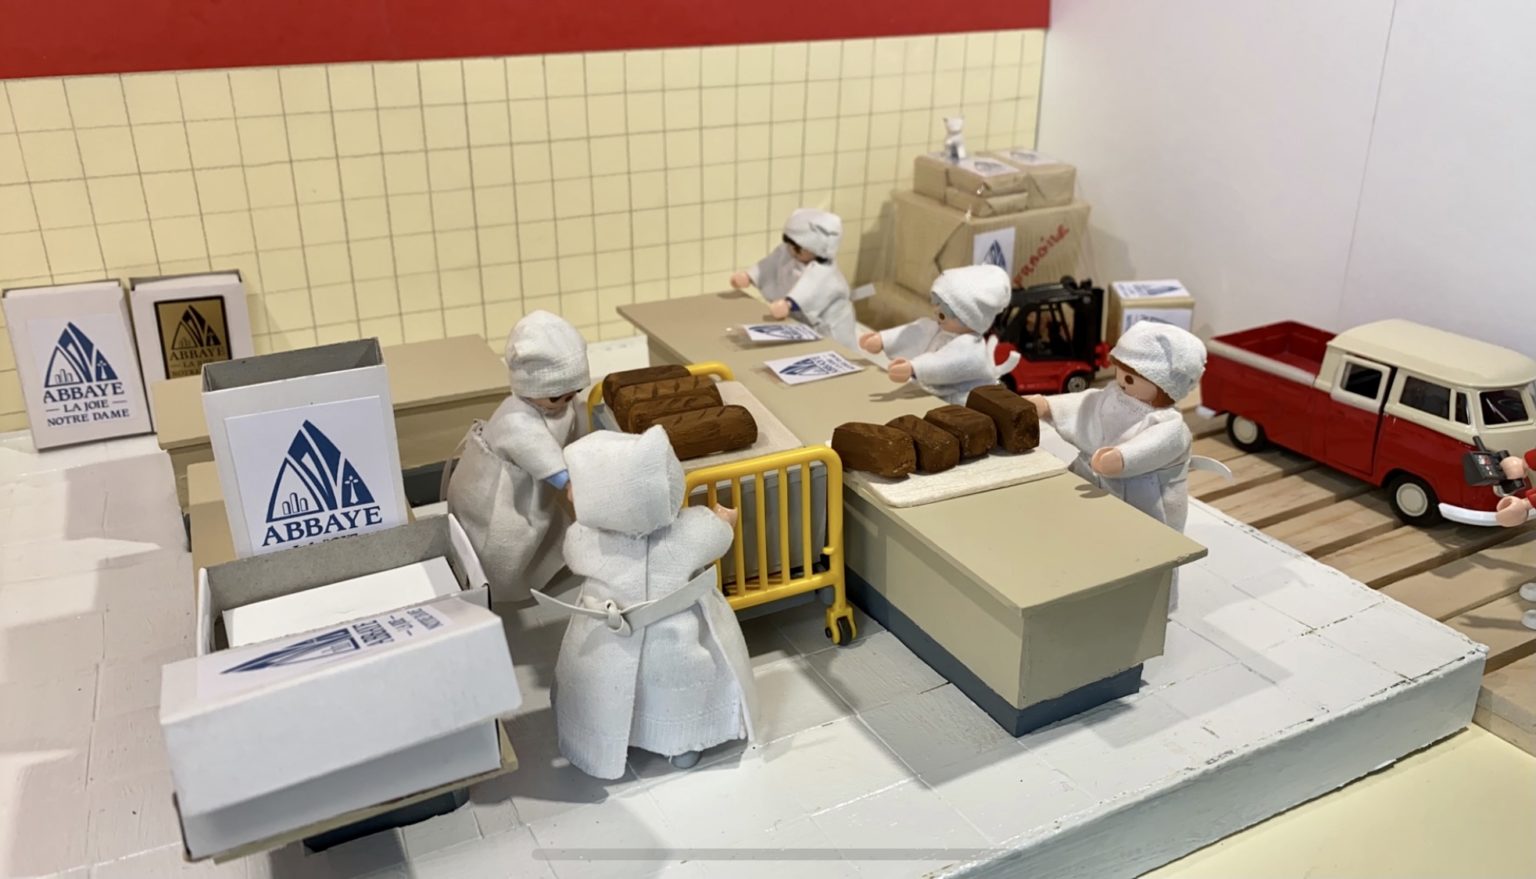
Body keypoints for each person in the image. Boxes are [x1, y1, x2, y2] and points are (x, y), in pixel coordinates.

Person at [534, 427, 756, 779]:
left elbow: (572, 556)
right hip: (674, 641)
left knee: (610, 689)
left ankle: (612, 739)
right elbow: (718, 533)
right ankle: (682, 744)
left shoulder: (584, 539)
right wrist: (724, 518)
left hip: (607, 642)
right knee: (675, 692)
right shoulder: (689, 531)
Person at [444, 311, 588, 604]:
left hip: (533, 487)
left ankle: (536, 572)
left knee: (544, 532)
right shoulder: (516, 418)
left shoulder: (564, 406)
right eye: (556, 397)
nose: (566, 401)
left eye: (573, 393)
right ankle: (499, 586)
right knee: (505, 544)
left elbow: (575, 431)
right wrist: (569, 481)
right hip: (500, 494)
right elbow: (539, 451)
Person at [1025, 321, 1208, 533]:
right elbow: (1086, 403)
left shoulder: (1169, 425)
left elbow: (1152, 446)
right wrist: (1049, 407)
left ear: (1165, 386)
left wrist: (1121, 458)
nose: (1122, 381)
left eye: (1130, 377)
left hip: (1142, 495)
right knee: (1077, 524)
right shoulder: (1115, 395)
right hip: (1092, 477)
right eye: (1120, 372)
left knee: (1137, 534)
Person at [859, 264, 1021, 405]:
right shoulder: (940, 328)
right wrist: (883, 340)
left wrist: (915, 368)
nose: (936, 316)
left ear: (970, 318)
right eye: (935, 307)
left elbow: (947, 364)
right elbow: (916, 332)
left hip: (958, 401)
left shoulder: (971, 348)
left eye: (942, 314)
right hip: (932, 393)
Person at [730, 208, 857, 350]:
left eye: (798, 248)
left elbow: (810, 289)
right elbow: (770, 263)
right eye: (790, 245)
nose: (791, 250)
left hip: (828, 321)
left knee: (836, 348)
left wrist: (789, 303)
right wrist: (750, 276)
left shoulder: (825, 271)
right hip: (800, 319)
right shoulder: (788, 252)